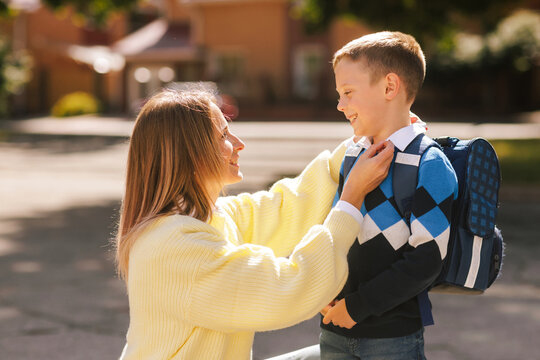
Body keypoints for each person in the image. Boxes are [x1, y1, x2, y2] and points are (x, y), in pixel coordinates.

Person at [115, 88, 395, 360]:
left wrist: (365, 142)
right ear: (190, 152)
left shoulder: (209, 216)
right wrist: (350, 200)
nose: (239, 143)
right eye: (224, 134)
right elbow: (290, 287)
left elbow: (287, 206)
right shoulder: (175, 246)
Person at [317, 31, 459, 359]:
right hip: (332, 327)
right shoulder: (353, 155)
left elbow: (427, 259)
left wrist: (355, 308)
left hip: (391, 339)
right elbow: (336, 230)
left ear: (389, 87)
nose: (340, 105)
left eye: (348, 92)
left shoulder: (430, 162)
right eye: (339, 94)